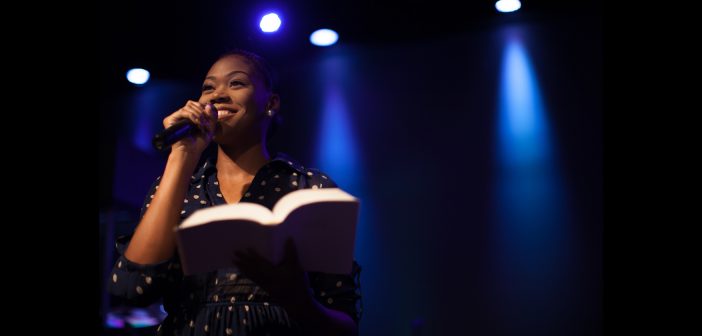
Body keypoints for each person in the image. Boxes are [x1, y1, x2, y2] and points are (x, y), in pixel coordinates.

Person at [108, 49, 362, 335]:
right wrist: (182, 155)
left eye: (236, 83)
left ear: (271, 103)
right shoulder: (179, 186)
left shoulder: (310, 188)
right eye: (208, 87)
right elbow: (131, 287)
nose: (217, 95)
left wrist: (298, 299)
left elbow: (345, 326)